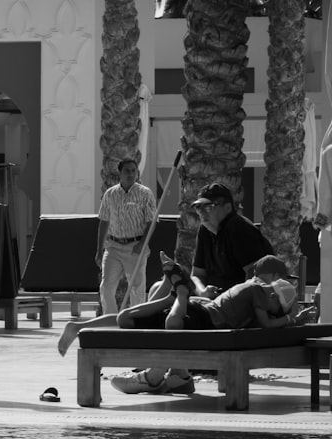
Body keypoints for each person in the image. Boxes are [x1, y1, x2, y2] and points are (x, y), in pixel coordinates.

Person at [57, 254, 315, 395]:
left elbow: (253, 317)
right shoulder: (258, 289)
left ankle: (81, 327)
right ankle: (177, 295)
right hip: (200, 313)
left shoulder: (249, 288)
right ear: (270, 278)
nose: (281, 284)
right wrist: (292, 318)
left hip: (200, 308)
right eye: (280, 278)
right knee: (170, 323)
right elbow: (266, 323)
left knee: (126, 318)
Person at [148, 182, 275, 301]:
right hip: (211, 297)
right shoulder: (205, 229)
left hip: (236, 300)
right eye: (198, 207)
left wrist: (225, 301)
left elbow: (253, 278)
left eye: (209, 207)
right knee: (157, 287)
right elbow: (197, 275)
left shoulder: (238, 228)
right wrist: (203, 292)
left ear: (227, 207)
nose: (202, 212)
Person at [95, 158, 157, 313]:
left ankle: (135, 321)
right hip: (113, 246)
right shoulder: (110, 194)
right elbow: (104, 221)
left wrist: (142, 244)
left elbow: (151, 222)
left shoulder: (145, 193)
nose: (130, 174)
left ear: (137, 173)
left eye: (133, 171)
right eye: (127, 171)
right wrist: (99, 249)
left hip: (135, 246)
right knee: (106, 286)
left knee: (137, 286)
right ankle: (110, 320)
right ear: (120, 173)